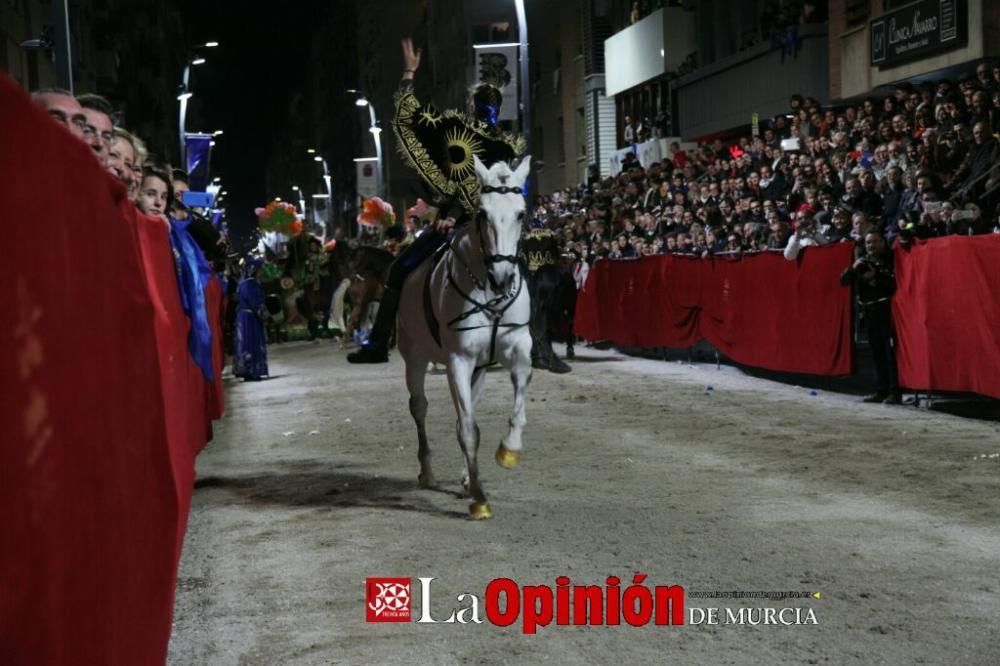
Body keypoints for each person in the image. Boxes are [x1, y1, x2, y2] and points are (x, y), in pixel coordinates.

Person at [348, 36, 525, 363]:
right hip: (454, 221)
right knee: (399, 268)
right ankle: (379, 343)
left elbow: (485, 189)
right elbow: (412, 118)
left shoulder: (499, 149)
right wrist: (409, 74)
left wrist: (409, 75)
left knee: (530, 265)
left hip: (469, 222)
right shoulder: (468, 137)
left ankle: (531, 339)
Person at [839, 230, 901, 404]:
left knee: (890, 354)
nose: (871, 246)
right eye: (868, 243)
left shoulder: (892, 259)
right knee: (876, 353)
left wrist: (876, 276)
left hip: (887, 309)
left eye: (875, 242)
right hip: (869, 311)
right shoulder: (863, 261)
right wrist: (854, 267)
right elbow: (843, 281)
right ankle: (881, 390)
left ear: (883, 242)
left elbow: (894, 285)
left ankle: (894, 391)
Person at [233, 255, 270, 381]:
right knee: (252, 342)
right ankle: (252, 370)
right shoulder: (251, 284)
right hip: (250, 318)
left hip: (243, 317)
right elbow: (256, 303)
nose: (260, 272)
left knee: (244, 343)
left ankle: (245, 370)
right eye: (259, 270)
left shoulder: (242, 282)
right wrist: (266, 316)